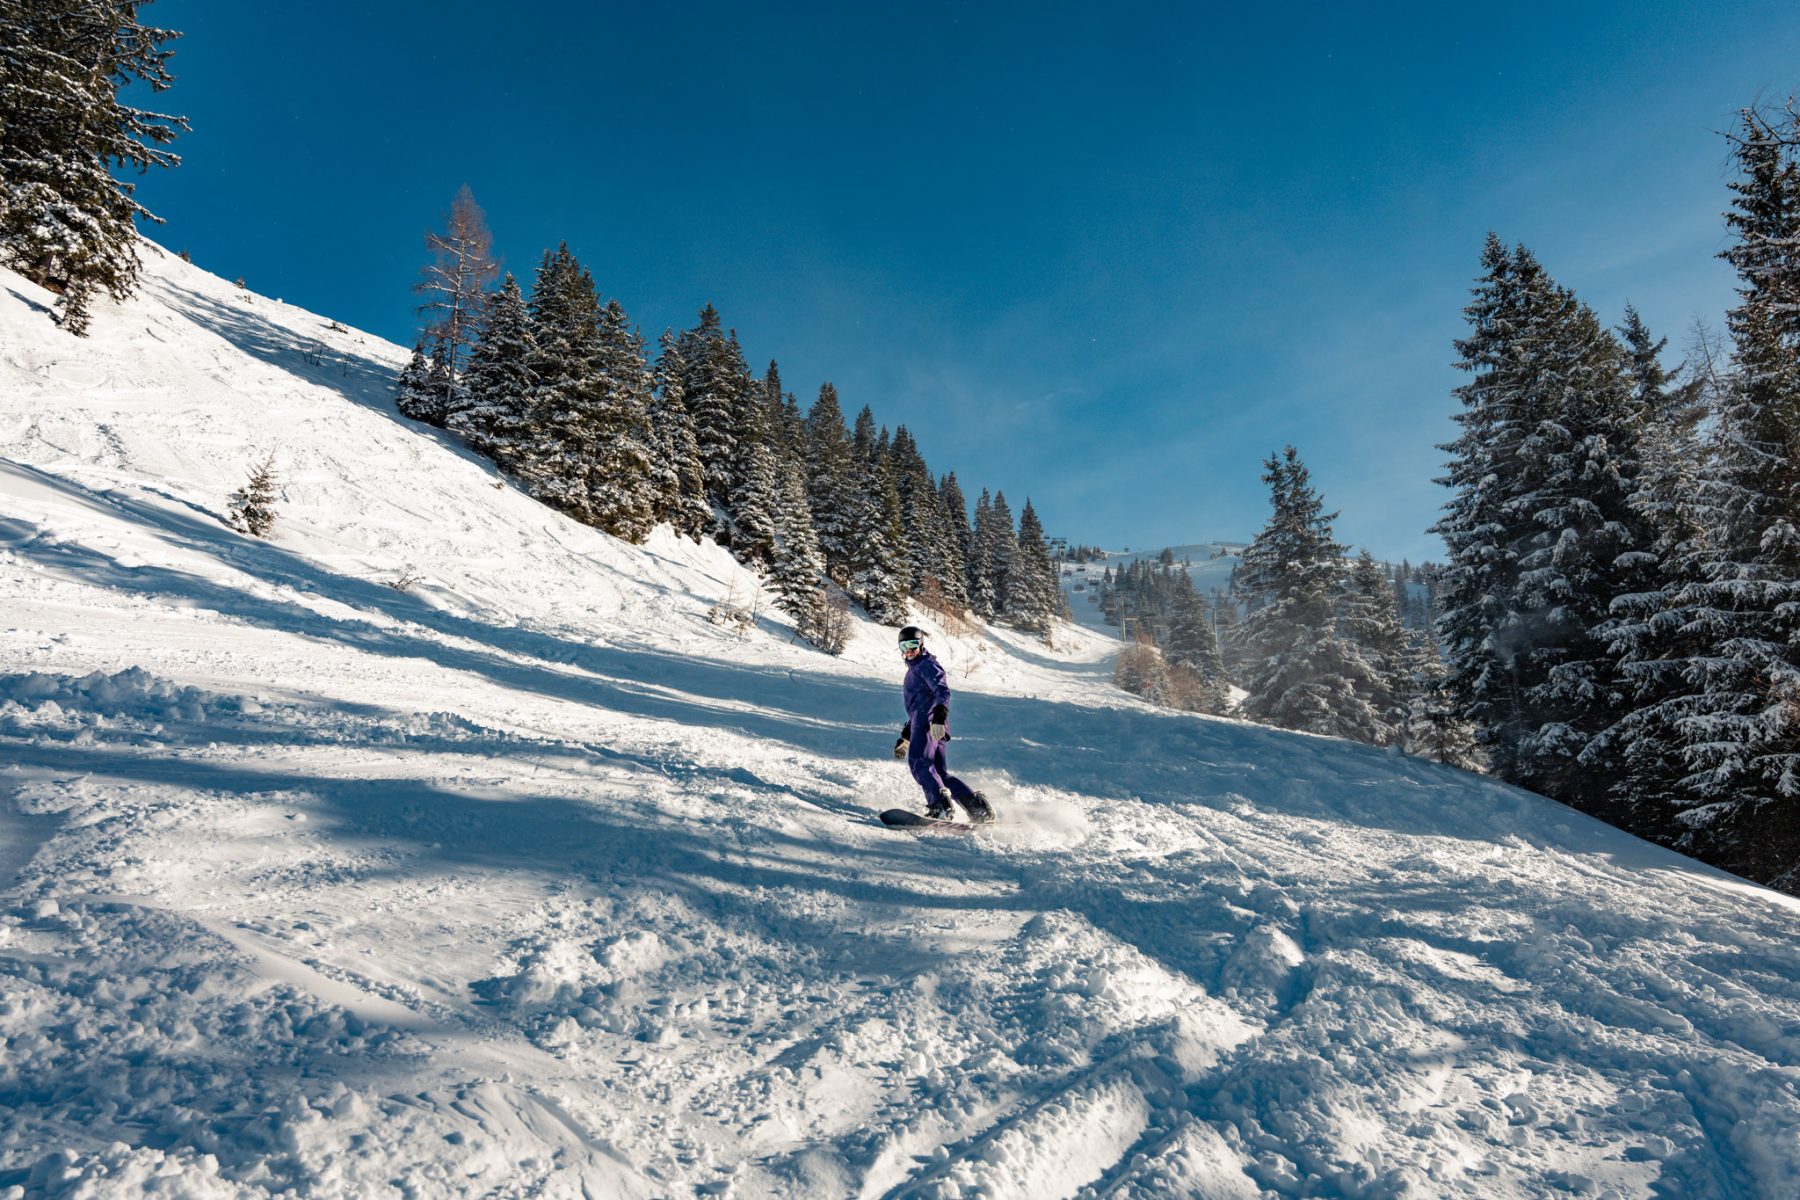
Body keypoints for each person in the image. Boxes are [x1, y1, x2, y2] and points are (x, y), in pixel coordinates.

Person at [892, 625, 994, 823]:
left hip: (929, 723)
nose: (909, 650)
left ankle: (940, 805)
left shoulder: (926, 665)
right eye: (904, 646)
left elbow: (942, 691)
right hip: (928, 724)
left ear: (921, 644)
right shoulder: (916, 668)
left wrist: (938, 717)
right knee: (938, 773)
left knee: (920, 763)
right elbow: (918, 707)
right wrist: (905, 737)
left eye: (913, 644)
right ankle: (977, 808)